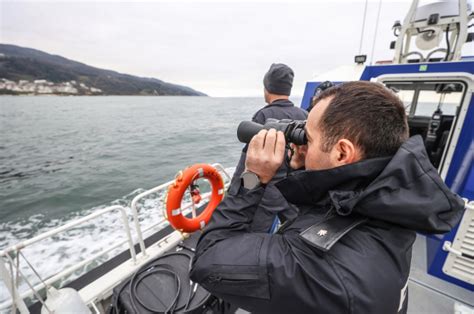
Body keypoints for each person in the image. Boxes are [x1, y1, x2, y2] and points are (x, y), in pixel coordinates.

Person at [190, 81, 464, 313]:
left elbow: (207, 258)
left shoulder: (313, 264)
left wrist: (253, 177)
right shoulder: (391, 205)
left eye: (308, 138)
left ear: (342, 153)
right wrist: (306, 166)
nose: (301, 144)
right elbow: (327, 205)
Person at [228, 63, 307, 232]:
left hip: (265, 195)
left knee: (256, 238)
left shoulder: (263, 115)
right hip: (291, 193)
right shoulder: (304, 115)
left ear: (267, 88)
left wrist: (236, 192)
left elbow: (249, 161)